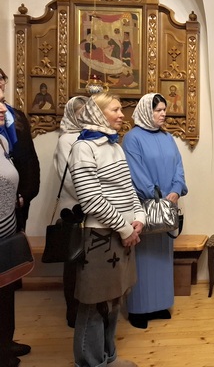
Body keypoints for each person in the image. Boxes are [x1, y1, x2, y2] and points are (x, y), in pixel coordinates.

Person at [68, 92, 145, 367]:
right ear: (98, 113)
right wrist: (125, 228)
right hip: (100, 236)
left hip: (123, 234)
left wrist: (139, 217)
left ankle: (108, 358)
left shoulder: (114, 145)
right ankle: (90, 362)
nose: (122, 115)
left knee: (113, 301)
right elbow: (91, 199)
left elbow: (128, 188)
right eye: (115, 110)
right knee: (94, 304)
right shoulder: (83, 148)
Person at [123, 93, 188, 329]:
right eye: (158, 110)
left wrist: (176, 190)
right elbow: (135, 173)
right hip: (144, 208)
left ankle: (160, 304)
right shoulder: (132, 139)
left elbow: (179, 167)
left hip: (167, 207)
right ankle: (138, 309)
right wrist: (157, 195)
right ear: (145, 111)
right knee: (142, 258)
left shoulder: (168, 137)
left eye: (164, 109)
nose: (163, 113)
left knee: (162, 256)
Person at [0, 91, 31, 367]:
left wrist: (17, 196)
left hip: (6, 231)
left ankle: (4, 344)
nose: (3, 108)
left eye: (2, 100)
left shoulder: (2, 140)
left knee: (5, 295)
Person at [53, 95, 89, 328]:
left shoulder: (90, 137)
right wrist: (91, 196)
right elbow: (68, 179)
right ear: (72, 115)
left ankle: (88, 305)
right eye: (80, 113)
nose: (84, 116)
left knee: (88, 260)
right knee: (73, 261)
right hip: (74, 209)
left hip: (92, 207)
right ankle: (73, 311)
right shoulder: (66, 140)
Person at [0, 68, 40, 233]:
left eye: (1, 78)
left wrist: (26, 194)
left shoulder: (17, 116)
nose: (0, 82)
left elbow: (29, 158)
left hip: (19, 198)